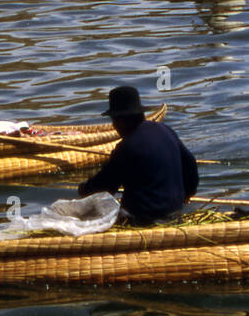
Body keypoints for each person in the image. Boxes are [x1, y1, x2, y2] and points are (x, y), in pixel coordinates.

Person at [78, 86, 198, 225]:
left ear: (120, 120)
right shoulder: (165, 130)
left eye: (114, 121)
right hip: (175, 214)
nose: (115, 127)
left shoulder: (126, 147)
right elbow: (190, 164)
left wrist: (84, 189)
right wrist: (188, 193)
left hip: (143, 220)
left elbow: (105, 187)